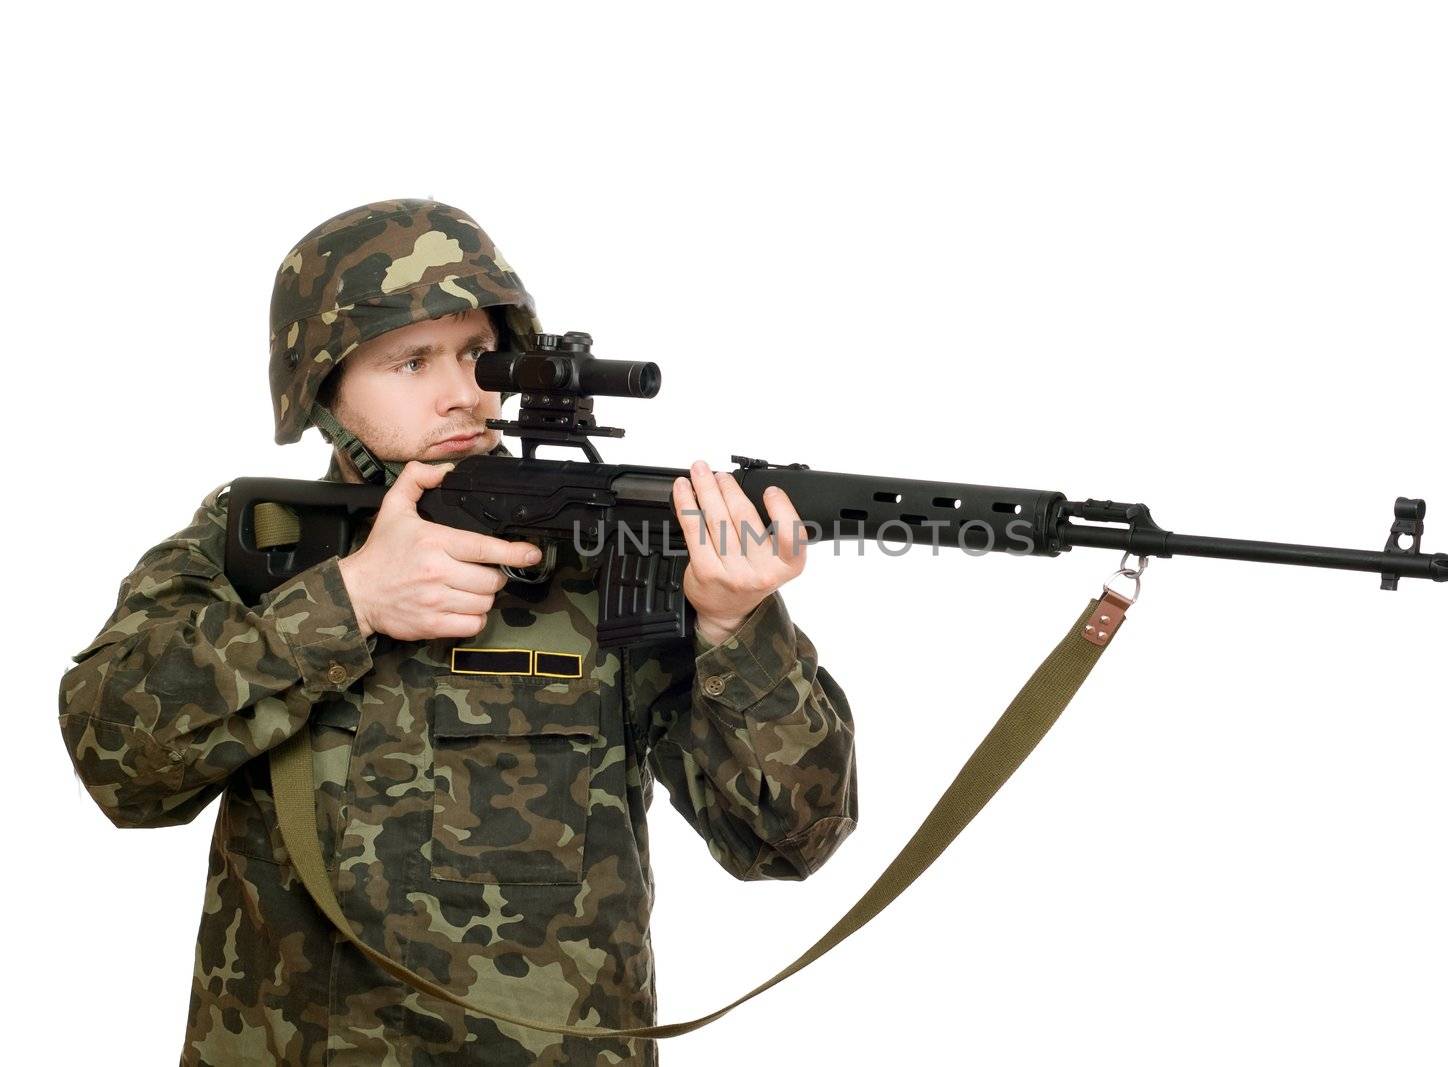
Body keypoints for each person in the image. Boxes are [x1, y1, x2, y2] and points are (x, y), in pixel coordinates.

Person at [58, 199, 859, 1066]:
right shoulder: (263, 544)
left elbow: (791, 837)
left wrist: (736, 628)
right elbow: (117, 765)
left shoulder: (604, 561)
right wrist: (350, 603)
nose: (464, 392)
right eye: (412, 361)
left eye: (481, 354)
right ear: (320, 388)